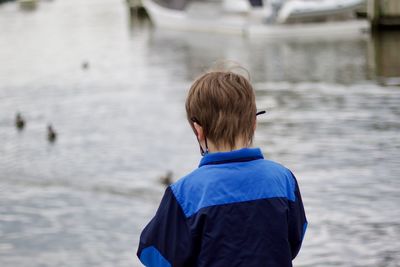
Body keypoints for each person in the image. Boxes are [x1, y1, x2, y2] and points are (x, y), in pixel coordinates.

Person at [137, 69, 307, 267]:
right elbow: (295, 240)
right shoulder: (283, 180)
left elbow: (154, 255)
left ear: (198, 130)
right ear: (254, 123)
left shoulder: (185, 193)